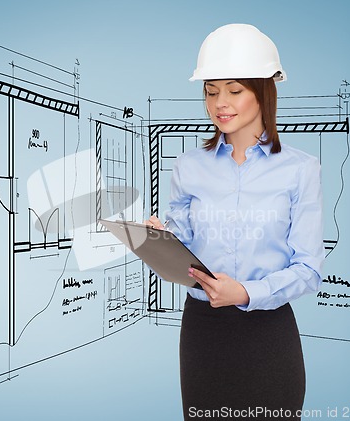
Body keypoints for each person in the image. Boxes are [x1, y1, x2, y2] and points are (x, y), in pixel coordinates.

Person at [146, 24, 324, 420]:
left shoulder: (301, 170)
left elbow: (309, 269)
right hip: (203, 334)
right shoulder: (189, 167)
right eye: (211, 91)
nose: (219, 104)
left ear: (263, 91)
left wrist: (244, 293)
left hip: (269, 336)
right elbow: (185, 245)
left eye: (234, 90)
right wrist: (162, 240)